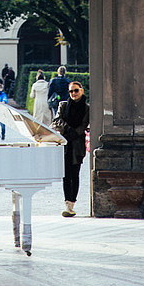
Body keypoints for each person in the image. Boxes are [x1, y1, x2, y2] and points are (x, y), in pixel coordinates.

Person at [52, 80, 90, 217]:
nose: (73, 93)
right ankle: (68, 204)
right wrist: (68, 129)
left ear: (82, 91)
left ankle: (72, 203)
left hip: (77, 143)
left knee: (75, 174)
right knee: (66, 175)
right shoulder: (63, 105)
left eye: (76, 90)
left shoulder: (87, 108)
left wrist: (76, 132)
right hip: (65, 143)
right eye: (71, 91)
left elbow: (85, 123)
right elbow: (57, 120)